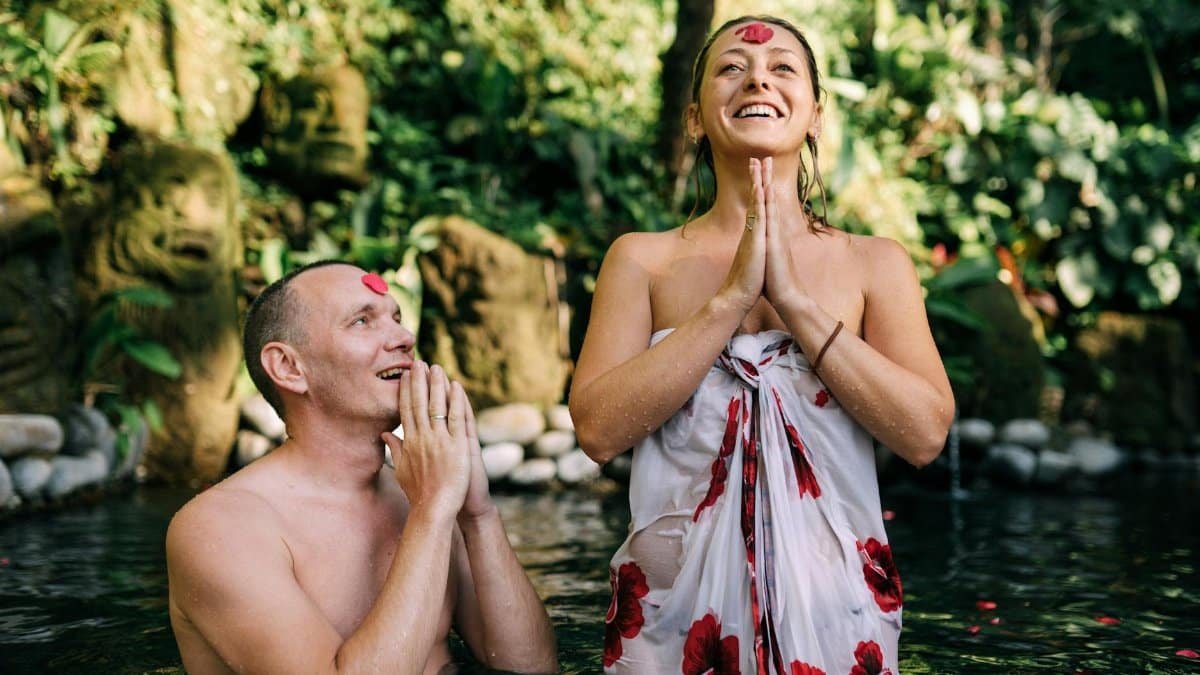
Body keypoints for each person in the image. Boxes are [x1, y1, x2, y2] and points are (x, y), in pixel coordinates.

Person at [569, 15, 954, 674]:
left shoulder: (874, 264)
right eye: (732, 68)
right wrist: (728, 302)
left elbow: (924, 435)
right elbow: (598, 431)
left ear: (816, 116)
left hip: (834, 615)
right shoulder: (641, 261)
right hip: (670, 620)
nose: (757, 80)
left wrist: (797, 304)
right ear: (695, 119)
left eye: (782, 69)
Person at [166, 260, 558, 674]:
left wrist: (478, 515)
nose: (405, 338)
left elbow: (531, 668)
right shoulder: (221, 527)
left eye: (396, 319)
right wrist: (431, 511)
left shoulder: (420, 492)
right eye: (361, 321)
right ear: (288, 367)